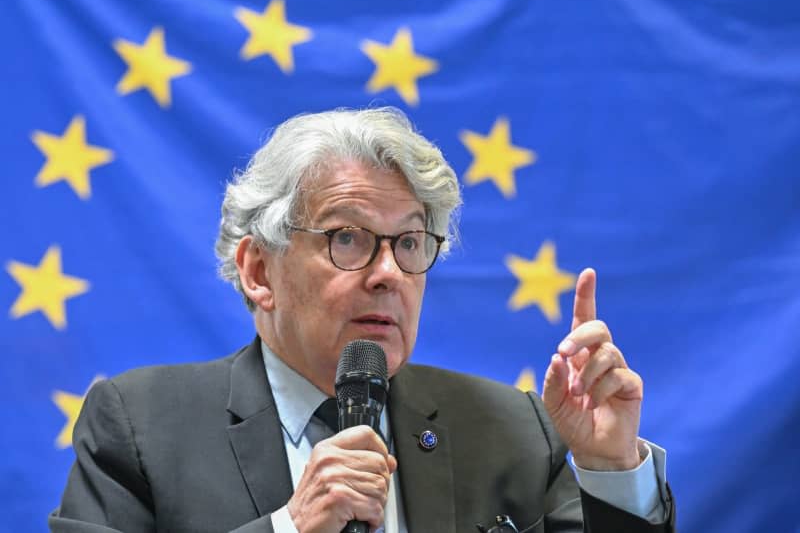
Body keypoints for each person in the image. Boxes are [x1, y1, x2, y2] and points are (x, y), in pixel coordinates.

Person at [50, 108, 675, 532]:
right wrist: (290, 528)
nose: (389, 274)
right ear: (259, 271)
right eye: (348, 239)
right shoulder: (138, 427)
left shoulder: (513, 430)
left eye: (409, 243)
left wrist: (609, 471)